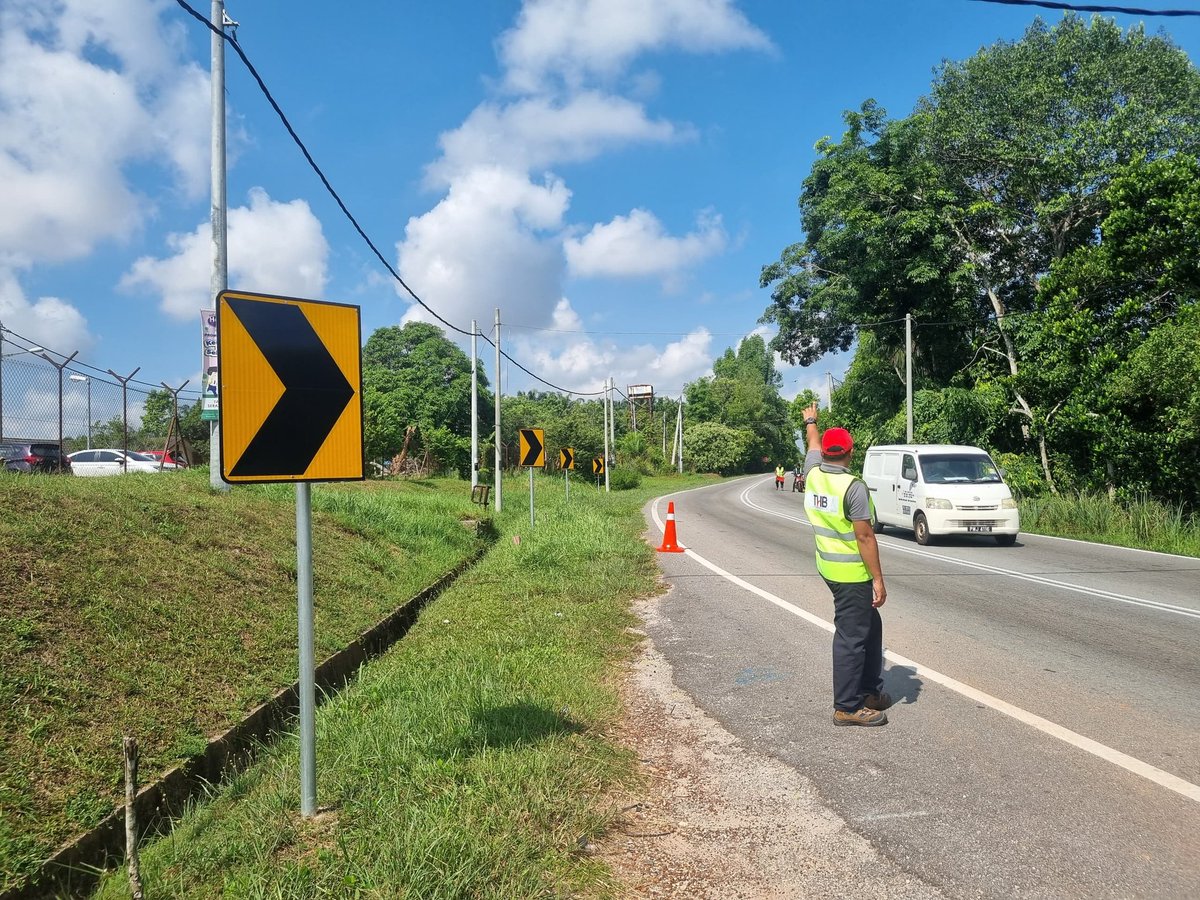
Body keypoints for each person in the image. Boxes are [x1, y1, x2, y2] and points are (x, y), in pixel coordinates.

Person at [800, 402, 891, 727]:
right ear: (850, 453)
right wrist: (878, 580)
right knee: (852, 637)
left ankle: (869, 690)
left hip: (828, 567)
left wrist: (811, 421)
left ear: (825, 453)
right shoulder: (853, 487)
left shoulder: (813, 474)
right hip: (850, 574)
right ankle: (847, 706)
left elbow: (811, 441)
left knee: (871, 625)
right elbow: (866, 538)